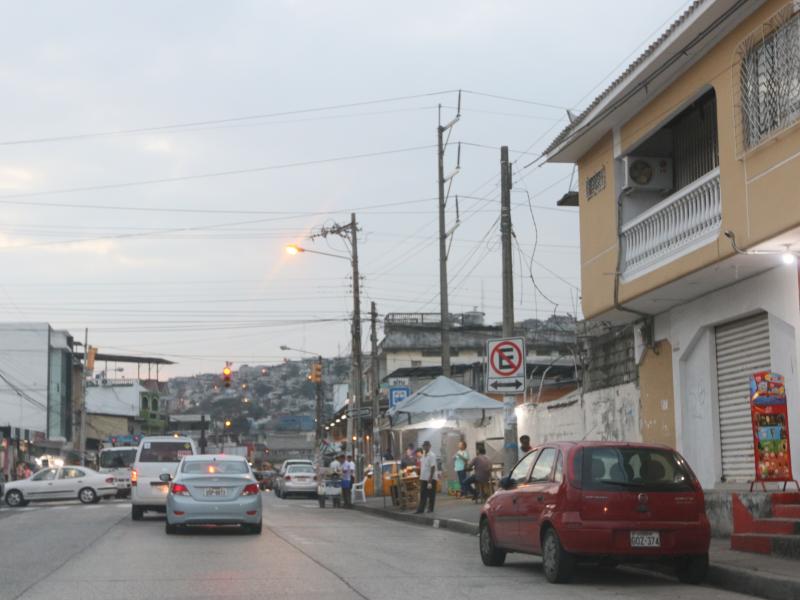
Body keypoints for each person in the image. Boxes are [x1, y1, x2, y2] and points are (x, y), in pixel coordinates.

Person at [415, 441, 438, 514]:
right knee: (423, 494)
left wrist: (430, 480)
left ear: (429, 446)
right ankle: (420, 509)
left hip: (430, 479)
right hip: (423, 478)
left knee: (431, 495)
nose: (425, 447)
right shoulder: (424, 454)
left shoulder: (432, 455)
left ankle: (430, 509)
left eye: (426, 446)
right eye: (424, 446)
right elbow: (423, 466)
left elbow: (433, 467)